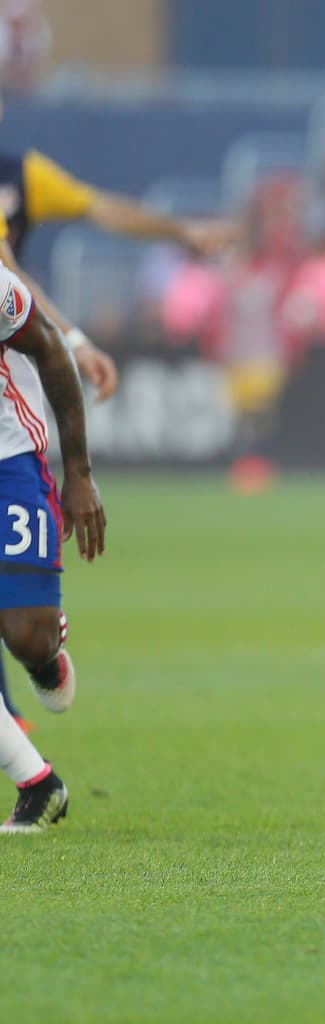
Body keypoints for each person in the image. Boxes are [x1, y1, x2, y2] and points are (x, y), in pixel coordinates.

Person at [0, 143, 234, 726]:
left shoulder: (19, 174)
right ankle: (22, 755)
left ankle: (33, 656)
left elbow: (96, 213)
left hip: (8, 398)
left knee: (25, 631)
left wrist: (179, 232)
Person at [0, 261, 106, 831]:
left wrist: (80, 475)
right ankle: (39, 785)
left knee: (26, 636)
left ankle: (47, 649)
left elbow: (51, 350)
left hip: (9, 462)